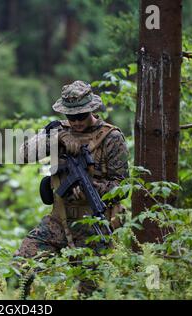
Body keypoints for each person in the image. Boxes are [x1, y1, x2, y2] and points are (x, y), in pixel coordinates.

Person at [15, 80, 129, 263]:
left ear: (91, 109)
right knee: (19, 269)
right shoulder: (59, 131)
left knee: (91, 288)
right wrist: (57, 139)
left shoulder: (111, 138)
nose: (76, 122)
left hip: (94, 224)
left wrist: (91, 187)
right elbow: (23, 154)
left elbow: (123, 188)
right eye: (71, 117)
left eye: (81, 116)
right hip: (59, 220)